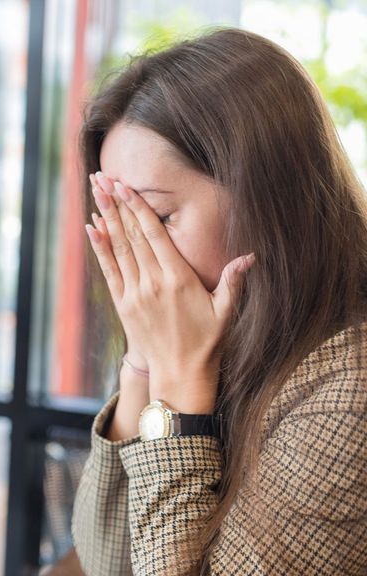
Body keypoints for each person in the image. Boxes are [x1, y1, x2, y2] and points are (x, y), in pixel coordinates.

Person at [71, 28, 367, 575]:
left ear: (268, 196)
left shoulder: (348, 394)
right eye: (117, 224)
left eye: (155, 220)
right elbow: (107, 562)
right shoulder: (218, 341)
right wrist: (143, 364)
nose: (134, 256)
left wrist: (181, 388)